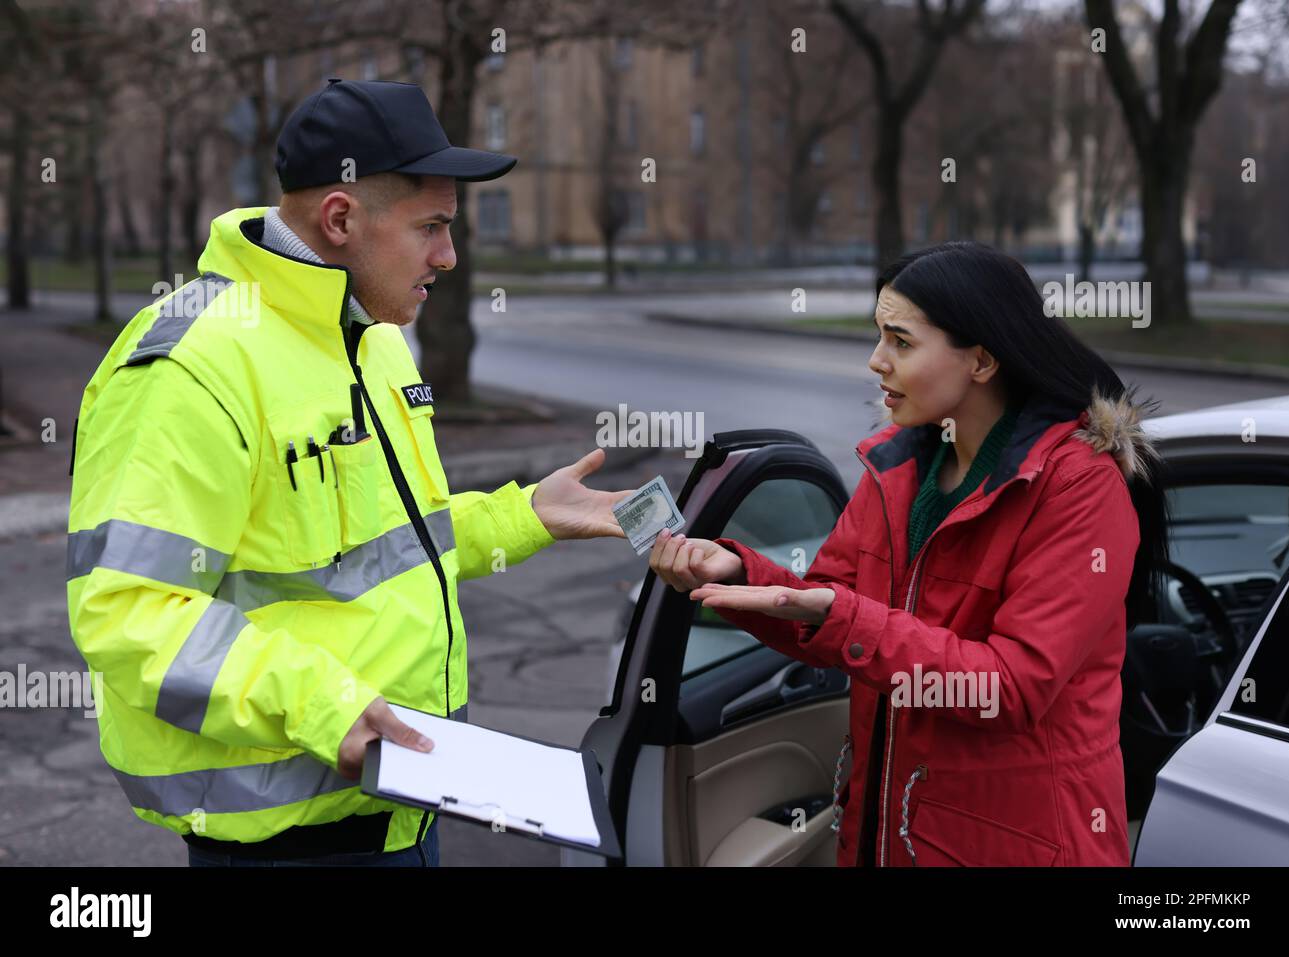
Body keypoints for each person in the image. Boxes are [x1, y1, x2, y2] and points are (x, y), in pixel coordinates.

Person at [66, 79, 633, 867]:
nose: (449, 254)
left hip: (406, 809)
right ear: (340, 219)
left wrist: (524, 515)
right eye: (431, 227)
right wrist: (323, 705)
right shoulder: (189, 366)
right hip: (287, 847)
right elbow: (126, 611)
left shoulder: (371, 336)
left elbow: (388, 544)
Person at [649, 242, 1169, 867]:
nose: (876, 362)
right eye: (878, 338)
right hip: (888, 833)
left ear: (980, 358)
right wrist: (738, 569)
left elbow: (1008, 688)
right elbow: (831, 608)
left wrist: (838, 615)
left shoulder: (1076, 484)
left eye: (900, 341)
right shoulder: (899, 465)